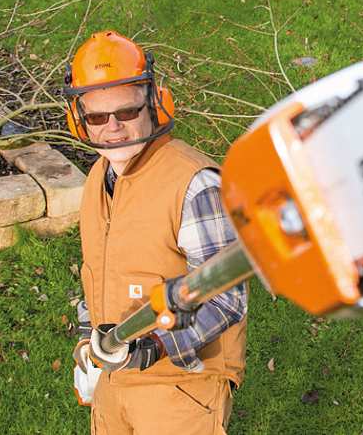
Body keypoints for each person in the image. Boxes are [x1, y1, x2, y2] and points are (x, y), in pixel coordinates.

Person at [65, 30, 246, 434]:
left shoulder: (194, 184)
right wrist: (87, 340)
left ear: (154, 104)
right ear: (79, 119)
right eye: (97, 116)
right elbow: (99, 271)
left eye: (126, 112)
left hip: (181, 386)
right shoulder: (99, 176)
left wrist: (153, 349)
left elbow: (228, 300)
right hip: (115, 378)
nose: (113, 128)